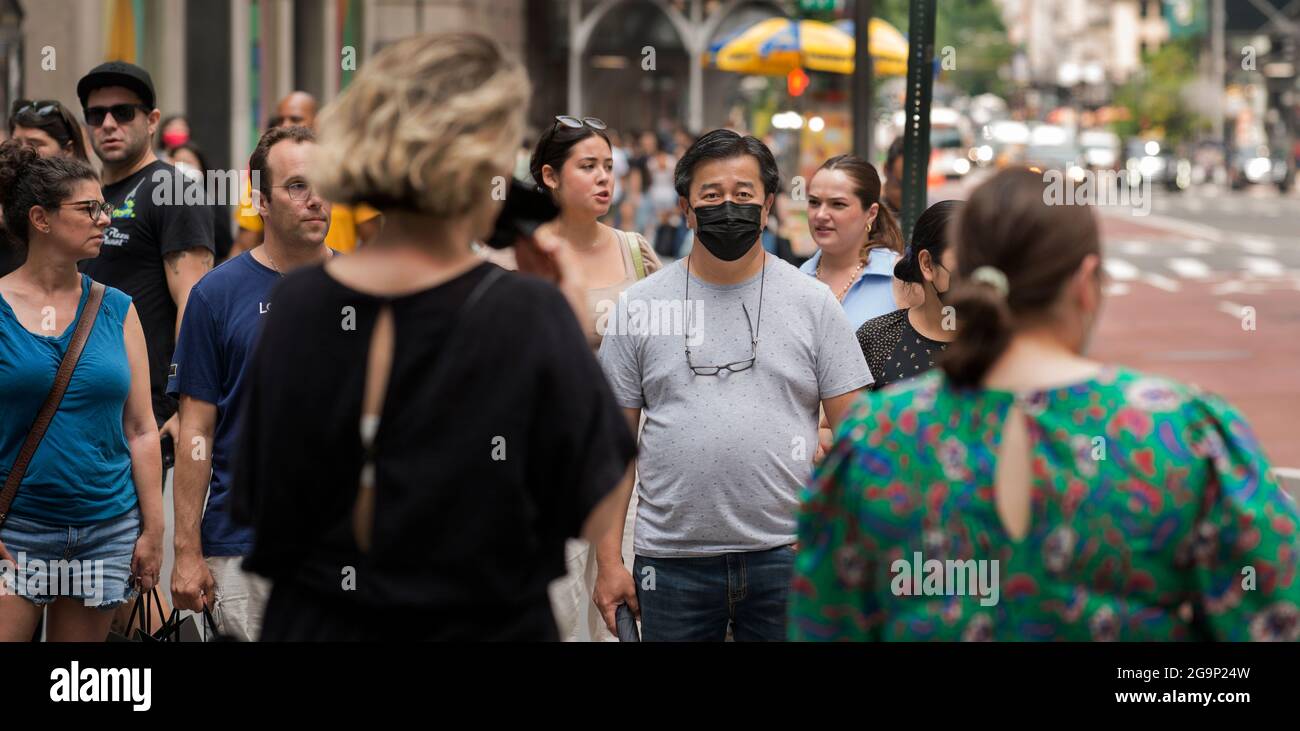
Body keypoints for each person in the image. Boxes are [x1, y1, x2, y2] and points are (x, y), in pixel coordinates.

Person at [230, 32, 635, 641]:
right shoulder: (528, 312)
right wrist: (571, 322)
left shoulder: (297, 303)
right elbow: (595, 504)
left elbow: (261, 499)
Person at [790, 168, 1300, 641]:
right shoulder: (1182, 435)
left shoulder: (877, 440)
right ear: (1086, 283)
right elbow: (1271, 615)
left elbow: (822, 619)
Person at [594, 129, 872, 642]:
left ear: (768, 205)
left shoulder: (813, 304)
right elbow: (613, 449)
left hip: (787, 558)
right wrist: (610, 560)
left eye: (744, 195)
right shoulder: (639, 307)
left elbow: (859, 436)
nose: (729, 207)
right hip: (668, 563)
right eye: (712, 195)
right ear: (686, 207)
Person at [167, 126, 332, 641]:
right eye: (297, 186)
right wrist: (187, 551)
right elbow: (197, 431)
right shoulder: (215, 296)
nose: (316, 199)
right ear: (259, 200)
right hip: (245, 550)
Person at [0, 141, 164, 641]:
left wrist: (153, 530)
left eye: (104, 206)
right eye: (88, 208)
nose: (103, 218)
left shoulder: (117, 308)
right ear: (40, 219)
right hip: (17, 527)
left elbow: (140, 429)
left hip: (105, 528)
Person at [529, 114, 662, 641]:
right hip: (541, 473)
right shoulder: (514, 257)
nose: (605, 177)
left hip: (622, 471)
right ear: (549, 176)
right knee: (555, 619)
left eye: (609, 166)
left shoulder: (636, 251)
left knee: (618, 619)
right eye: (588, 167)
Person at [76, 61, 215, 451]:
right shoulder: (88, 195)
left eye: (123, 112)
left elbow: (195, 301)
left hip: (144, 414)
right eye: (95, 114)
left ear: (152, 120)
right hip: (85, 400)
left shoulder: (173, 189)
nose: (107, 123)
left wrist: (185, 402)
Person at [228, 92, 381, 257]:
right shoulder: (266, 173)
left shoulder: (348, 171)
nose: (285, 124)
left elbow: (374, 240)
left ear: (317, 123)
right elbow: (244, 243)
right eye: (280, 120)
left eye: (295, 119)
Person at [856, 200, 961, 390]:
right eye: (964, 264)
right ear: (927, 264)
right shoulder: (878, 337)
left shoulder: (1002, 341)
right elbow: (845, 417)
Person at [800, 154, 905, 331]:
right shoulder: (798, 279)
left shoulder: (899, 276)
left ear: (871, 213)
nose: (821, 215)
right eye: (814, 202)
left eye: (838, 204)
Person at [2, 100, 92, 278]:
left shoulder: (89, 207)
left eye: (35, 143)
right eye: (17, 142)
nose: (23, 150)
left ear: (68, 150)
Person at [164, 142, 234, 263]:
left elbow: (225, 248)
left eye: (188, 162)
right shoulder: (161, 204)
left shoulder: (214, 206)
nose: (182, 167)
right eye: (177, 162)